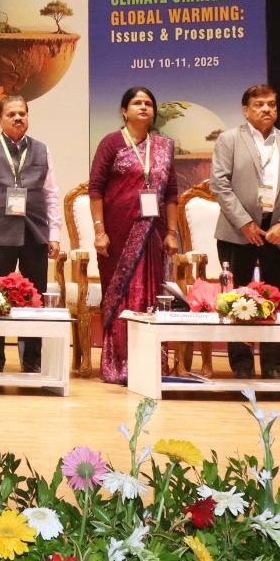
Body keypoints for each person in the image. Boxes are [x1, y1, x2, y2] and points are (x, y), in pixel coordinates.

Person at [210, 84, 280, 379]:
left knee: (276, 297)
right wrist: (244, 223)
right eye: (259, 104)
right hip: (237, 230)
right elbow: (219, 184)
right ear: (246, 110)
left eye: (271, 104)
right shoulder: (229, 140)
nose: (267, 109)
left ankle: (273, 366)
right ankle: (241, 364)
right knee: (236, 297)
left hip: (278, 232)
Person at [0, 95, 63, 372]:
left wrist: (54, 233)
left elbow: (51, 194)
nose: (18, 118)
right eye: (11, 114)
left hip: (35, 232)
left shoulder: (42, 150)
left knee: (35, 298)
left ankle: (32, 359)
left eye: (22, 113)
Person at [89, 86, 179, 384]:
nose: (143, 107)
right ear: (124, 111)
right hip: (117, 234)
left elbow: (171, 193)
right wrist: (99, 231)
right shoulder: (111, 142)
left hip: (154, 234)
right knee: (120, 295)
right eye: (137, 103)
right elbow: (96, 189)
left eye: (148, 103)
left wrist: (172, 233)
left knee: (152, 294)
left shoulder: (164, 146)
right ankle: (119, 364)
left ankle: (151, 363)